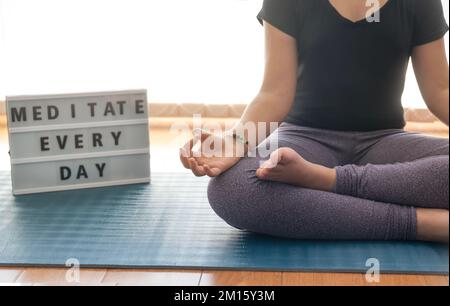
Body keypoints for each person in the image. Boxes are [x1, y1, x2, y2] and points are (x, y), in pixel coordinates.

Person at [180, 0, 449, 242]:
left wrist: (331, 181)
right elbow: (274, 93)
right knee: (232, 189)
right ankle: (424, 223)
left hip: (384, 142)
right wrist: (235, 140)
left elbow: (440, 91)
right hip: (303, 141)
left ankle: (326, 181)